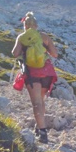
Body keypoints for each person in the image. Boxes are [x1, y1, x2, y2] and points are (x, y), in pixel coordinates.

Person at [11, 12, 58, 143]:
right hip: (47, 72)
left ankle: (42, 133)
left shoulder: (22, 37)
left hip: (32, 73)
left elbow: (15, 53)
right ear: (36, 25)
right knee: (41, 100)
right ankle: (39, 127)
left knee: (36, 102)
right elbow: (55, 54)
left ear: (25, 25)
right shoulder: (44, 36)